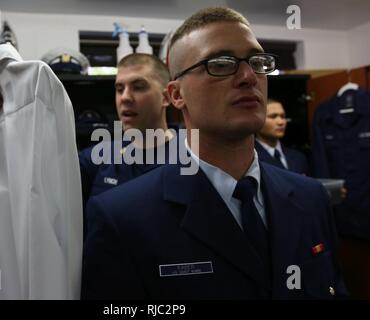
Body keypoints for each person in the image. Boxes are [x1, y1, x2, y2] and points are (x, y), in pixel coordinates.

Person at [82, 7, 347, 299]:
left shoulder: (311, 199)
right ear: (176, 95)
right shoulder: (121, 218)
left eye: (258, 62)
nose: (248, 76)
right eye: (220, 64)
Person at [0, 53, 174, 206]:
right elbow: (38, 180)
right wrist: (3, 81)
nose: (124, 97)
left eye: (138, 87)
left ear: (166, 97)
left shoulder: (191, 157)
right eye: (119, 88)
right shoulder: (99, 159)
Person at [255, 98, 309, 175]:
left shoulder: (298, 157)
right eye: (273, 116)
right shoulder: (249, 160)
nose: (281, 122)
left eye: (283, 116)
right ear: (257, 121)